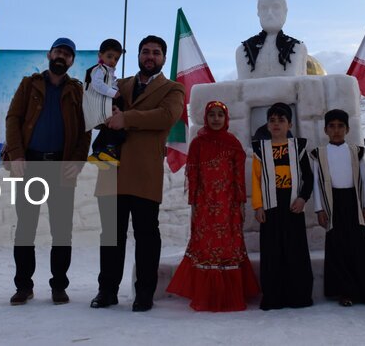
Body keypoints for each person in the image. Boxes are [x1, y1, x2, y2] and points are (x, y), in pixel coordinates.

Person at [92, 35, 185, 312]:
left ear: (164, 58)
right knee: (111, 235)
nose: (150, 56)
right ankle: (106, 290)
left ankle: (144, 292)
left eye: (156, 53)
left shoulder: (174, 89)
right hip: (112, 168)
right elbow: (96, 110)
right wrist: (107, 112)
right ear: (137, 55)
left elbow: (166, 116)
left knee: (146, 235)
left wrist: (126, 118)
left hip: (145, 171)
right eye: (145, 51)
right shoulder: (118, 85)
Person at [3, 37, 90, 306]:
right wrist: (17, 155)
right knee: (25, 229)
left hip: (61, 168)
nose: (61, 56)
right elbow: (13, 118)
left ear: (72, 60)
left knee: (62, 231)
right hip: (29, 165)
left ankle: (59, 287)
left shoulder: (77, 91)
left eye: (67, 53)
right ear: (49, 55)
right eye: (58, 51)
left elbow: (86, 129)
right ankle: (23, 287)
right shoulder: (29, 85)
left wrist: (77, 161)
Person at [167, 101, 260, 311]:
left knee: (228, 245)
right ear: (205, 118)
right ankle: (206, 294)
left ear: (226, 119)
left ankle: (230, 295)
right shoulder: (198, 143)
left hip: (228, 205)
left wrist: (240, 202)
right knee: (206, 245)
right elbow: (193, 175)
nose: (216, 119)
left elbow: (238, 176)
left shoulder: (232, 143)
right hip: (205, 205)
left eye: (220, 115)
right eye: (212, 115)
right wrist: (194, 202)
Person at [310, 108, 365, 307]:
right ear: (325, 130)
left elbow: (364, 180)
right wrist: (319, 209)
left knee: (360, 246)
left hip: (354, 201)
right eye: (331, 126)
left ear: (347, 129)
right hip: (333, 203)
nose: (336, 130)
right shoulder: (319, 153)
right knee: (337, 246)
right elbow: (316, 183)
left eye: (340, 126)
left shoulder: (356, 151)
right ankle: (345, 292)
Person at [251, 102, 314, 310]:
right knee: (272, 252)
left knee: (295, 251)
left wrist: (303, 198)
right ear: (267, 125)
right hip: (270, 207)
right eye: (272, 120)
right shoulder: (260, 149)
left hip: (293, 206)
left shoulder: (299, 147)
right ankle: (273, 297)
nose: (276, 124)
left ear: (290, 124)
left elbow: (309, 178)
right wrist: (258, 206)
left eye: (281, 120)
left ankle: (299, 296)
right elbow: (256, 179)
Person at [235, 0, 308, 79]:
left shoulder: (298, 48)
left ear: (285, 12)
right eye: (264, 8)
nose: (269, 13)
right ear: (258, 13)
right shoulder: (243, 50)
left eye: (276, 7)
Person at [84, 38, 125, 166]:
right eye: (109, 56)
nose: (113, 61)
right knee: (116, 123)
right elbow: (97, 84)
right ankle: (109, 148)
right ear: (100, 55)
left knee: (109, 125)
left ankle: (98, 151)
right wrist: (114, 93)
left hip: (107, 99)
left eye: (116, 59)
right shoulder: (99, 69)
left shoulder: (107, 70)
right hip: (104, 100)